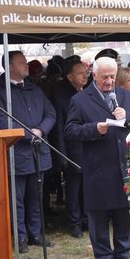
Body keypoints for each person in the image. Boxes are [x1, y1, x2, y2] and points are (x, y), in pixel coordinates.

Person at [64, 57, 130, 259]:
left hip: (123, 164)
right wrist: (94, 129)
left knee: (123, 211)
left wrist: (128, 118)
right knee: (98, 214)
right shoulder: (80, 100)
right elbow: (70, 130)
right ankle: (104, 256)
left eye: (112, 77)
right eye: (104, 77)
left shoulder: (126, 96)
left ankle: (123, 252)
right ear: (93, 75)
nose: (109, 81)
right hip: (98, 165)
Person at [0, 51, 57, 254]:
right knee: (16, 200)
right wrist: (29, 134)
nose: (27, 65)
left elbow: (50, 113)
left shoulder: (35, 89)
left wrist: (40, 130)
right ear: (9, 66)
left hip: (38, 152)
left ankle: (36, 233)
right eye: (21, 62)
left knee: (37, 197)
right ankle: (21, 236)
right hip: (15, 154)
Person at [51, 59, 90, 238]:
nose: (85, 76)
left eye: (85, 72)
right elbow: (58, 128)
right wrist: (62, 156)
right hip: (72, 150)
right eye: (80, 73)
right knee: (73, 188)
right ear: (69, 76)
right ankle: (74, 222)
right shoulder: (61, 96)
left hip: (89, 147)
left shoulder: (89, 92)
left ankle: (86, 219)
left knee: (88, 186)